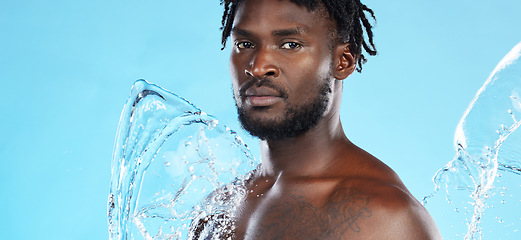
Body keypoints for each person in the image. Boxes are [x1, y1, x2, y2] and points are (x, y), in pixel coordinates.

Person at [191, 0, 442, 239]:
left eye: (290, 44)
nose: (257, 67)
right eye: (245, 44)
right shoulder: (219, 206)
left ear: (343, 61)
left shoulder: (384, 216)